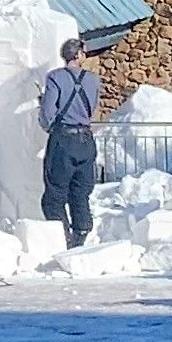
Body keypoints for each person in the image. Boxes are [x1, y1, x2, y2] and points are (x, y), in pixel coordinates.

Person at [37, 35, 101, 249]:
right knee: (81, 191)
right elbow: (91, 108)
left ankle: (62, 235)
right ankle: (81, 231)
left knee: (55, 194)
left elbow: (47, 114)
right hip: (86, 139)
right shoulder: (92, 79)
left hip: (63, 140)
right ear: (79, 54)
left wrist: (46, 119)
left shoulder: (55, 77)